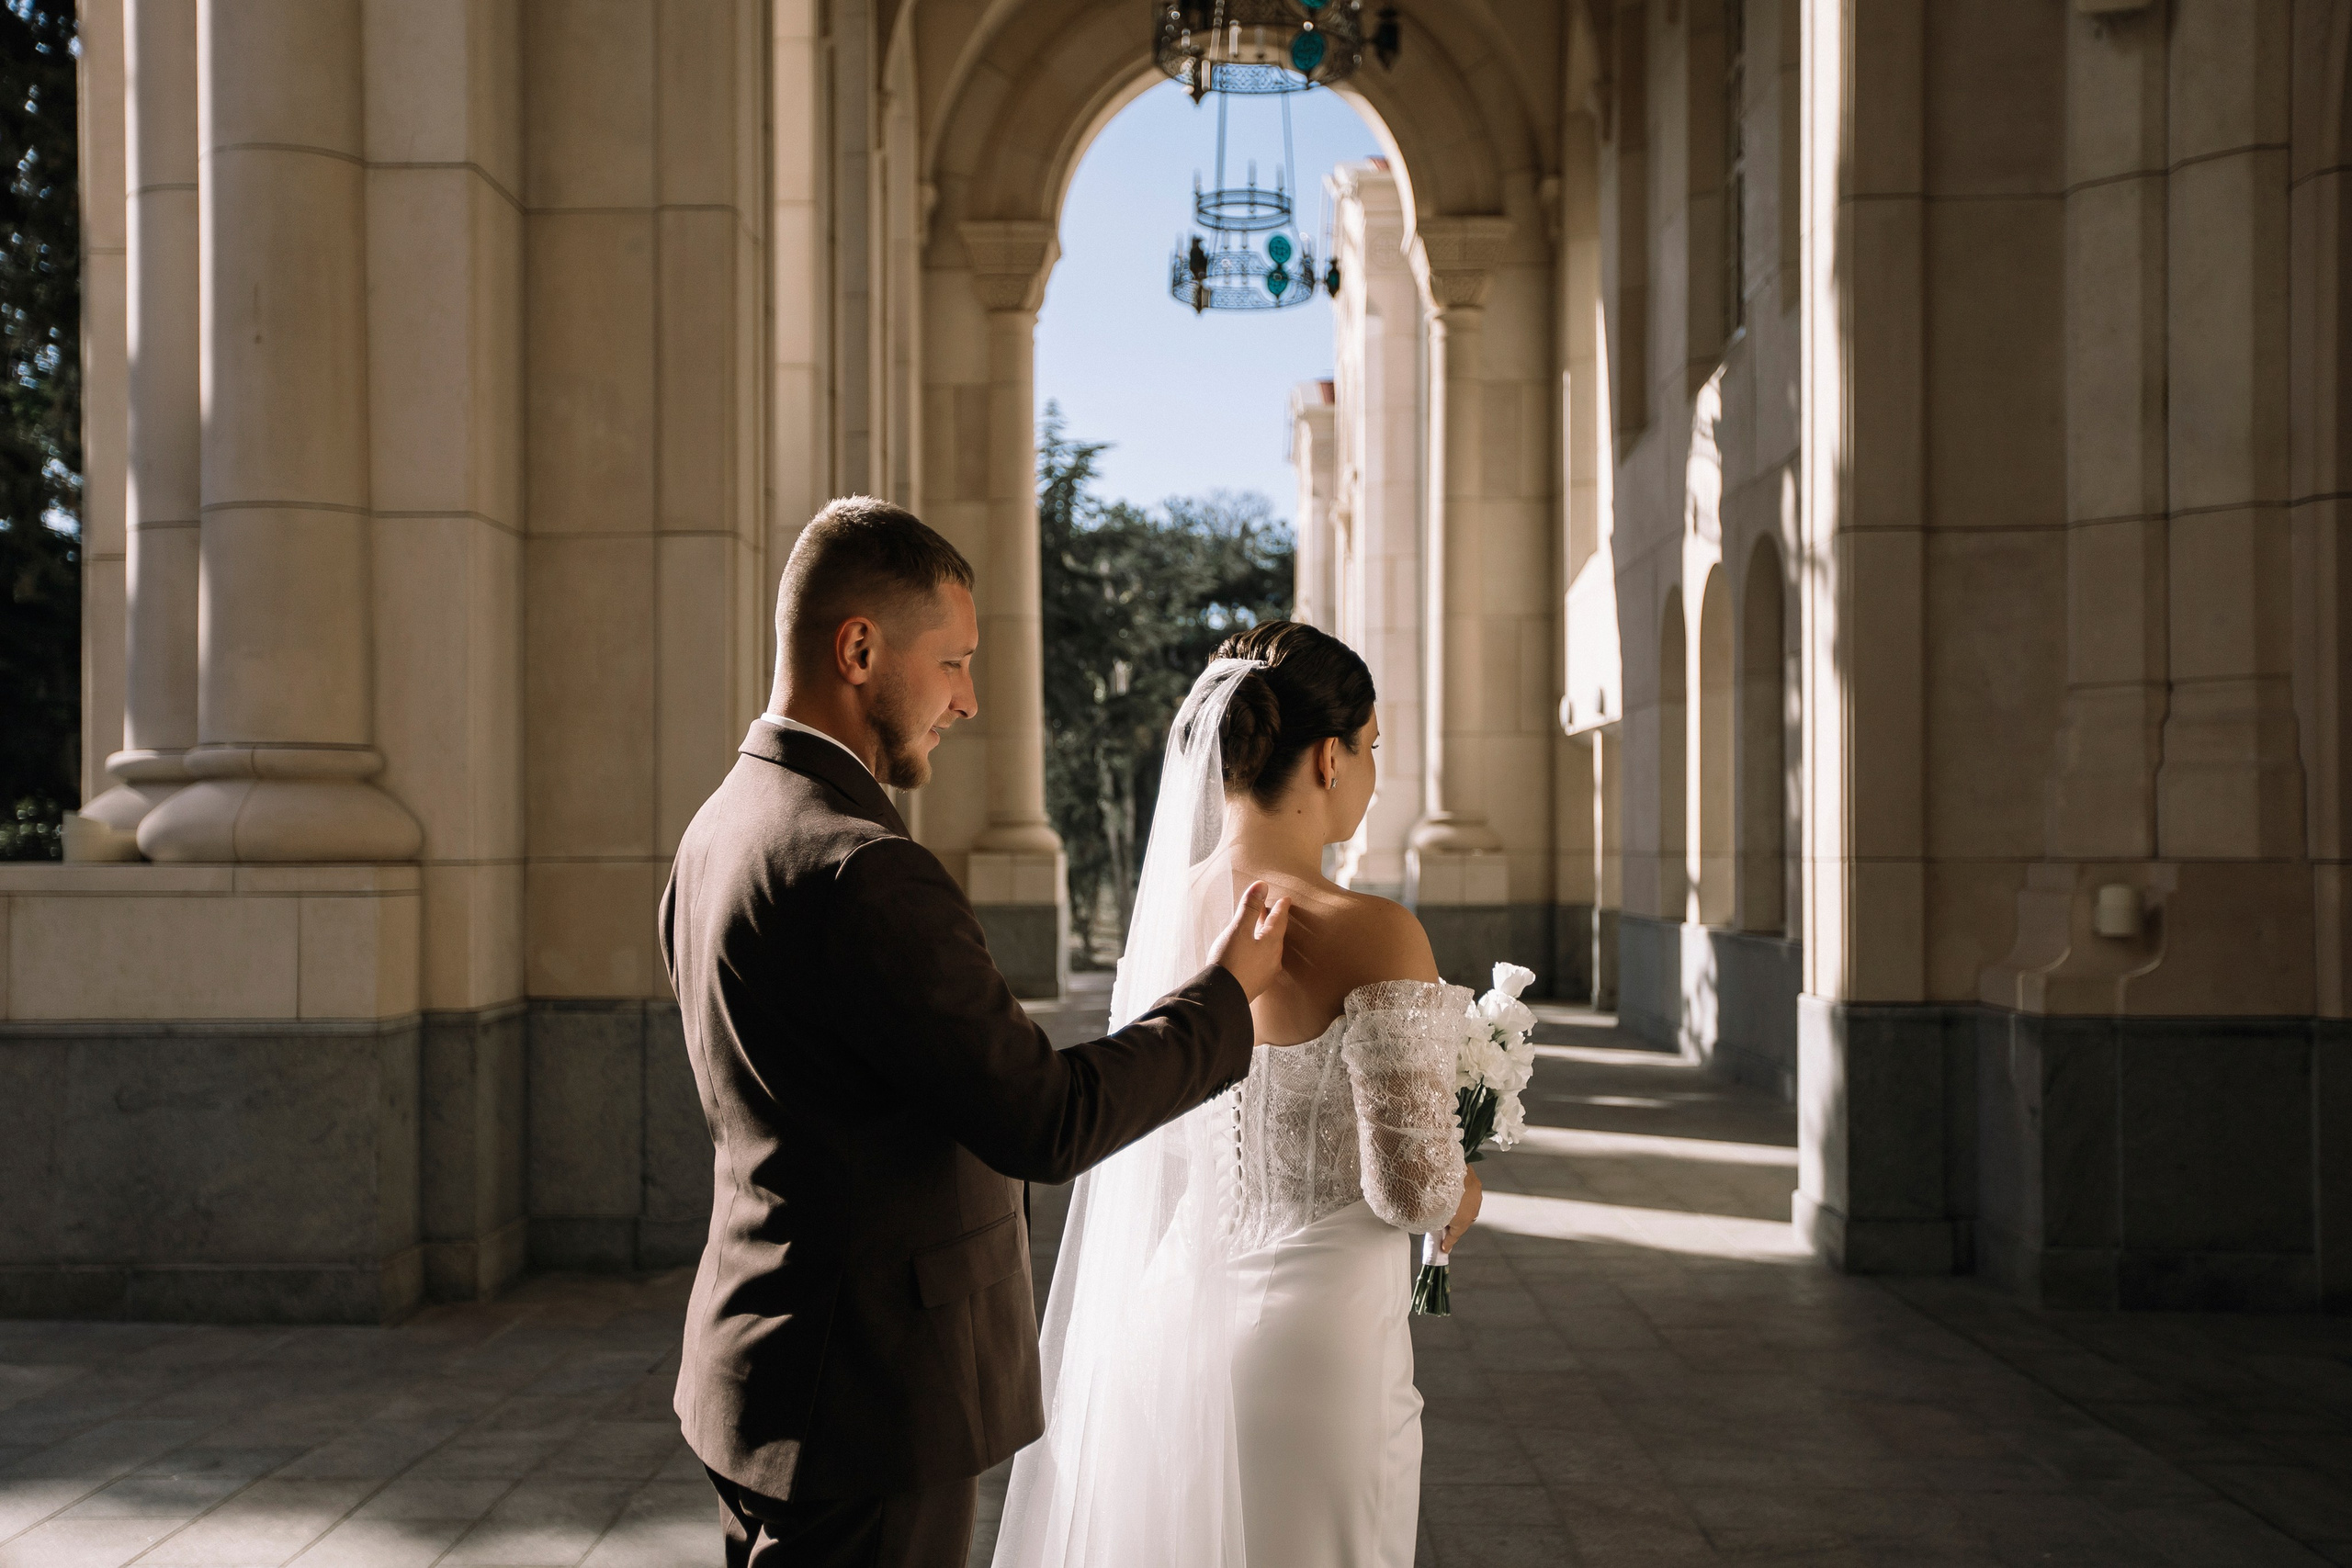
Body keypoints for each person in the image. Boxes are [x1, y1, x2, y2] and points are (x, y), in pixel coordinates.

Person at [659, 496, 1293, 1568]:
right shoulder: (862, 866)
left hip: (761, 1366)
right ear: (858, 648)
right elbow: (1044, 1118)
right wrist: (1222, 996)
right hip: (869, 1399)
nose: (969, 698)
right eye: (952, 662)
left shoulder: (720, 825)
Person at [993, 620, 1482, 1568]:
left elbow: (1157, 1139)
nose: (1373, 774)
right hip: (1321, 1359)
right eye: (1372, 749)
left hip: (1174, 1323)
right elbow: (1411, 1191)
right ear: (1329, 759)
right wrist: (1463, 1184)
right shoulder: (1373, 932)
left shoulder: (1171, 915)